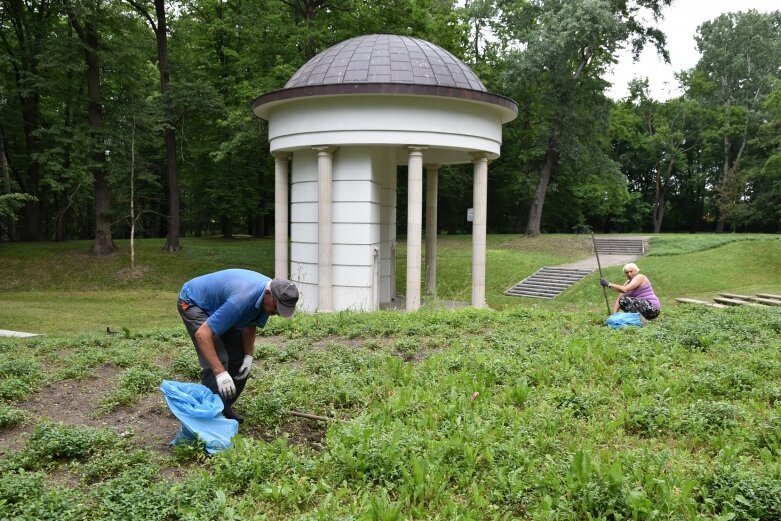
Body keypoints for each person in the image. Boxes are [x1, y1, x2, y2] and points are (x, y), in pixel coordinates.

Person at [178, 269, 299, 422]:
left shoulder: (267, 299)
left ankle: (222, 407)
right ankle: (208, 416)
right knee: (218, 359)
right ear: (268, 294)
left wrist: (248, 356)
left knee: (239, 358)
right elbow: (202, 335)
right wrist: (220, 373)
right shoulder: (242, 299)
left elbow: (250, 324)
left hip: (224, 305)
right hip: (194, 302)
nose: (277, 313)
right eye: (276, 307)